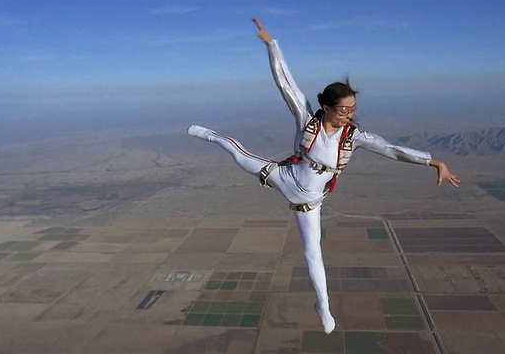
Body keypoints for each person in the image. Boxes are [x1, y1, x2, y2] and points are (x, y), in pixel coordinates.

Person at [187, 18, 460, 334]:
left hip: (311, 202)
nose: (348, 114)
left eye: (352, 109)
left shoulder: (353, 137)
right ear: (326, 107)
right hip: (285, 177)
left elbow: (391, 150)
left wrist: (433, 162)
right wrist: (272, 45)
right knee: (240, 155)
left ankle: (323, 305)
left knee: (312, 253)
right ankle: (209, 134)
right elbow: (285, 82)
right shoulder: (308, 120)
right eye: (342, 109)